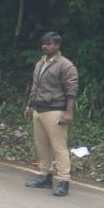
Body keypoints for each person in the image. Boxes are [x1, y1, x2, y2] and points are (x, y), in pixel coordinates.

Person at [23, 32, 79, 197]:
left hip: (55, 110)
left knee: (59, 147)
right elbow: (35, 86)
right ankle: (45, 177)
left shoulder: (66, 65)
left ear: (57, 46)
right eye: (44, 44)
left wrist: (68, 113)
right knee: (42, 146)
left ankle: (63, 182)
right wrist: (28, 105)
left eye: (49, 44)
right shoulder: (40, 63)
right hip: (38, 110)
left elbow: (72, 91)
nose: (45, 46)